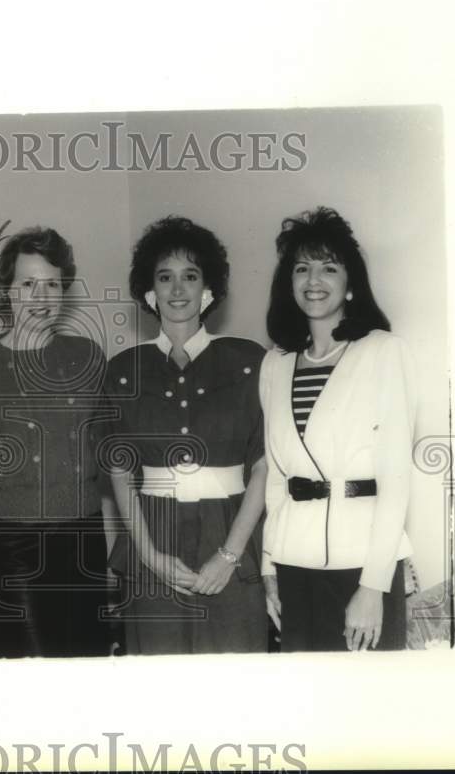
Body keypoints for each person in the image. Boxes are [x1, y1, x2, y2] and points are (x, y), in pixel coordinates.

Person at [101, 216, 268, 654]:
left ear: (208, 288)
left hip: (231, 531)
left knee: (234, 681)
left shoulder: (250, 362)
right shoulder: (123, 371)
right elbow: (120, 475)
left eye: (190, 276)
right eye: (165, 277)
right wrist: (149, 555)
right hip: (152, 531)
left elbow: (263, 467)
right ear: (149, 291)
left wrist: (229, 555)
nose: (178, 290)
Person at [0, 226, 113, 658]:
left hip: (83, 539)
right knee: (26, 681)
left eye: (52, 285)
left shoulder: (89, 356)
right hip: (9, 545)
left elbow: (106, 452)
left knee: (87, 669)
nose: (40, 297)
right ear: (6, 290)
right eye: (27, 284)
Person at [261, 207, 415, 652]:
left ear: (351, 285)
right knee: (307, 709)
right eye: (302, 268)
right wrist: (270, 568)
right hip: (293, 565)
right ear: (288, 283)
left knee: (370, 711)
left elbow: (396, 482)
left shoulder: (384, 352)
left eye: (329, 268)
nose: (314, 280)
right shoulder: (275, 364)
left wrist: (373, 589)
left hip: (364, 565)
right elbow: (276, 477)